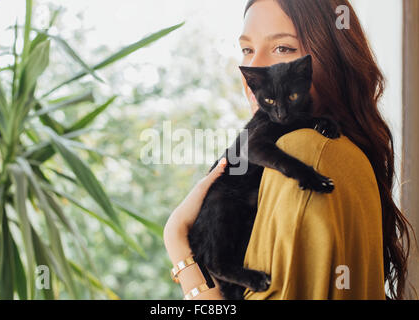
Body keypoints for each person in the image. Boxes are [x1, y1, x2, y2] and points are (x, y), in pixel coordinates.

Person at [163, 0, 414, 300]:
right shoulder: (353, 158)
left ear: (331, 57)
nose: (254, 68)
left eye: (283, 48)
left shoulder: (301, 149)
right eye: (247, 50)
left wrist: (179, 247)